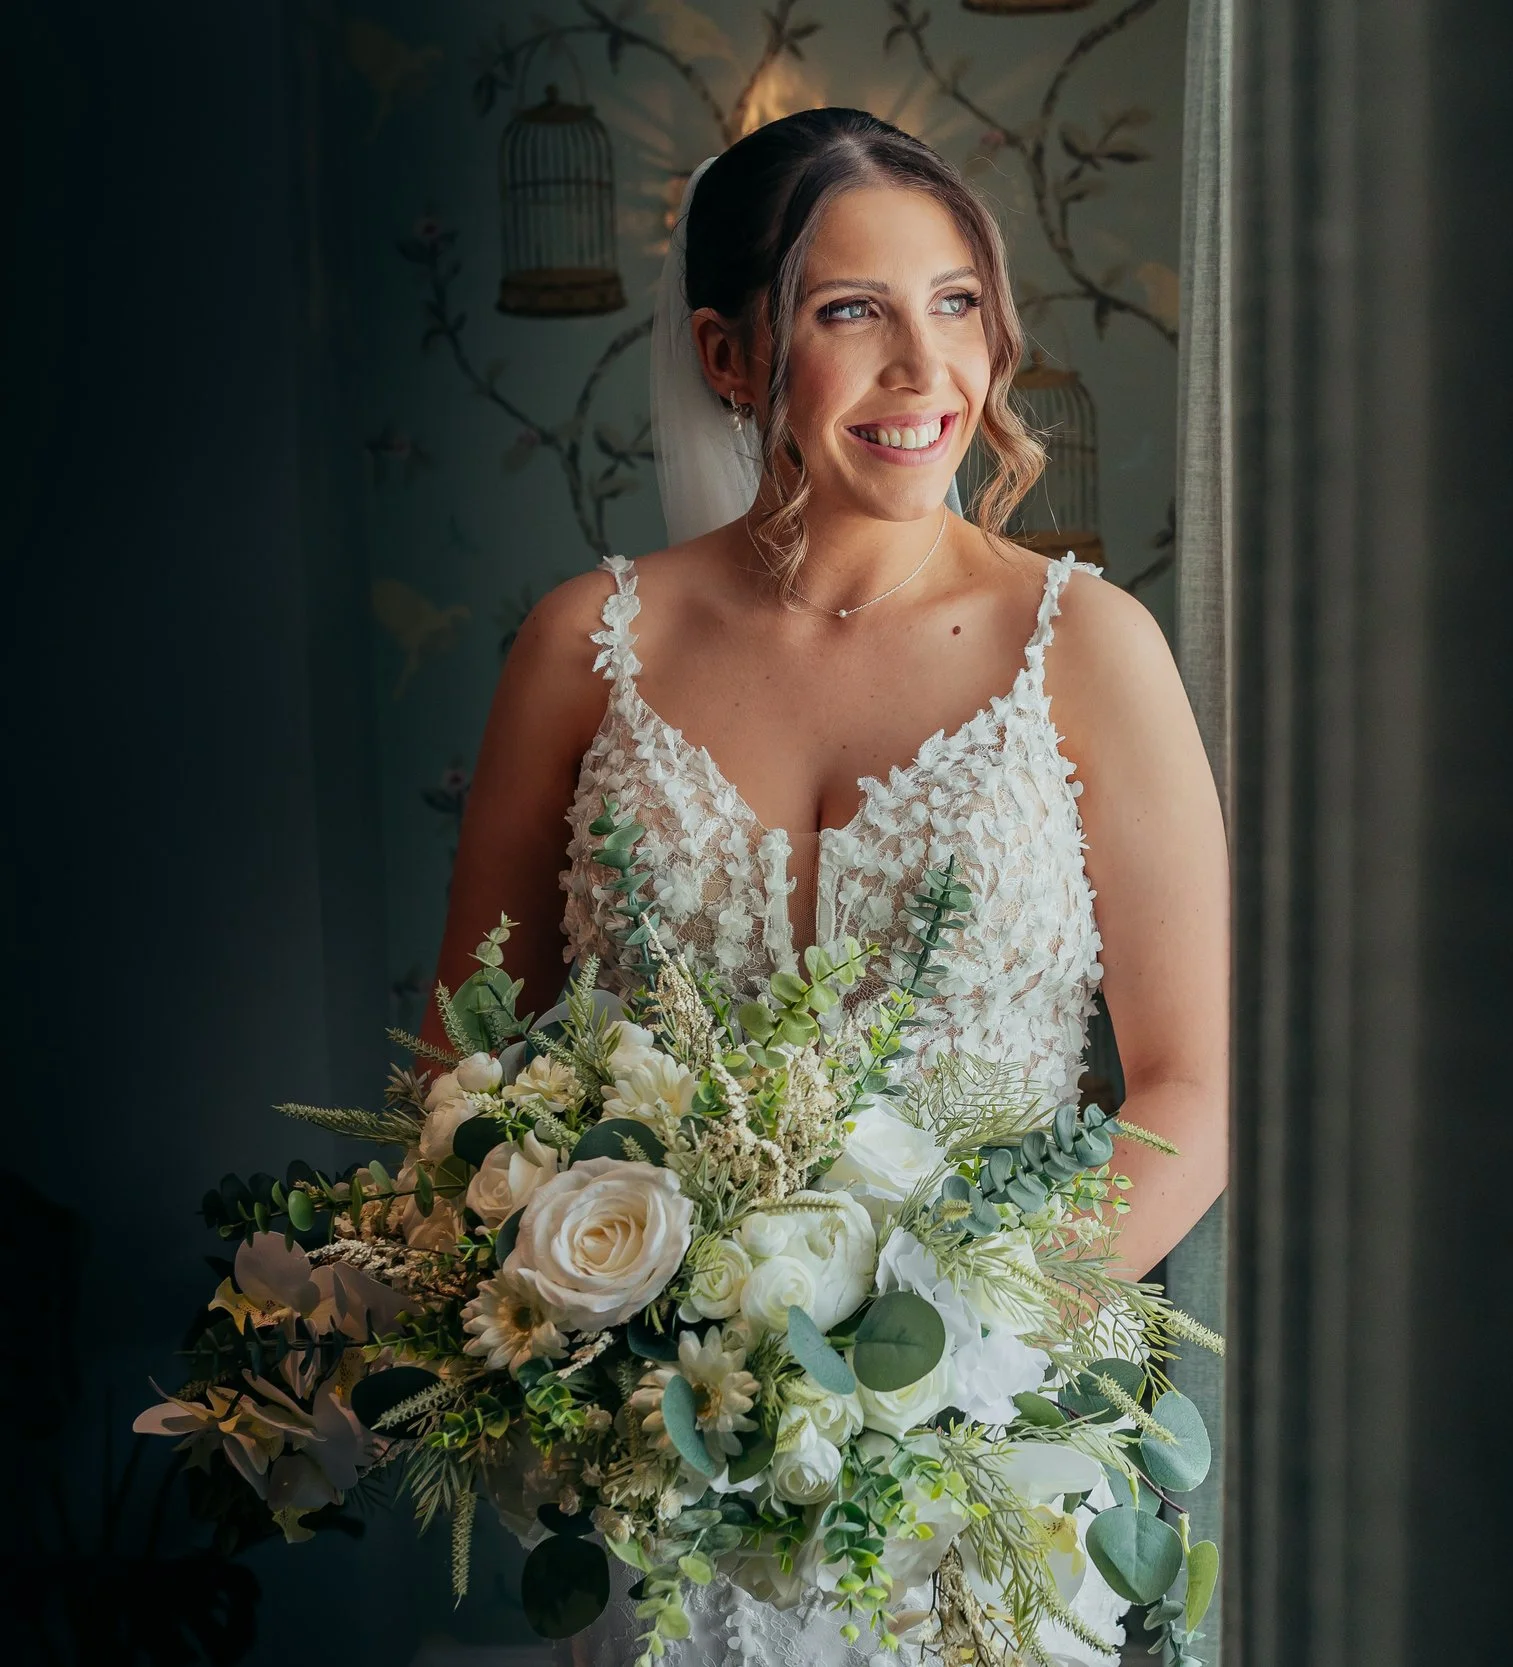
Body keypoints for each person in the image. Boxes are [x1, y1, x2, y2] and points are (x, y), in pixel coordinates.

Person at [421, 106, 1228, 1664]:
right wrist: (627, 1351)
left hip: (983, 1478)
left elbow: (1195, 1086)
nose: (925, 372)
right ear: (732, 358)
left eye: (955, 305)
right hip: (664, 1470)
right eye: (850, 311)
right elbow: (468, 1070)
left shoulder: (1089, 647)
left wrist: (936, 1372)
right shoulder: (584, 647)